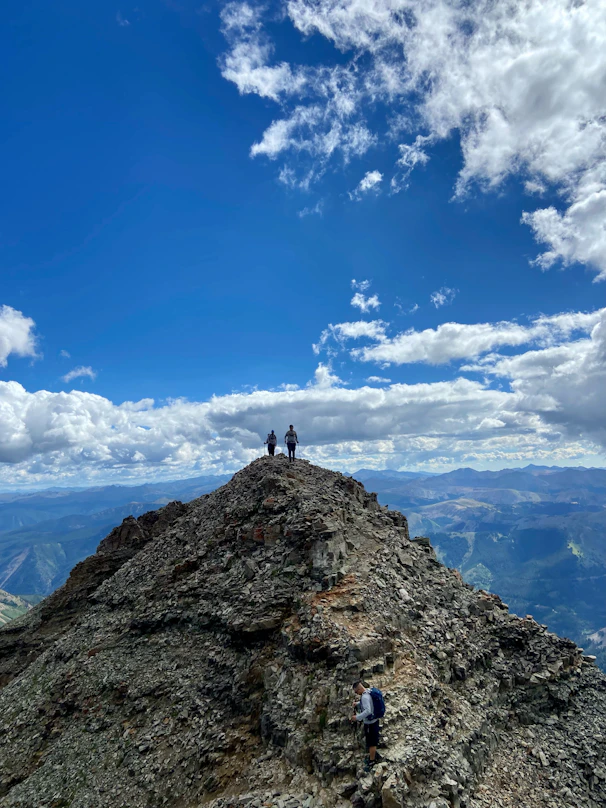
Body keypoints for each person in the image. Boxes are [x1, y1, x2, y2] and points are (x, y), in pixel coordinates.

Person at [351, 681, 381, 771]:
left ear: (359, 689)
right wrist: (357, 704)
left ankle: (372, 761)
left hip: (370, 723)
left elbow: (368, 710)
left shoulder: (364, 697)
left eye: (356, 692)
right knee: (372, 740)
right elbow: (368, 703)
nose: (357, 693)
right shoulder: (368, 691)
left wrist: (357, 717)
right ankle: (372, 757)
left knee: (372, 742)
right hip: (374, 720)